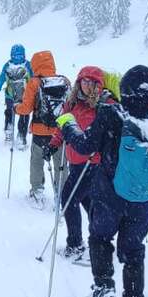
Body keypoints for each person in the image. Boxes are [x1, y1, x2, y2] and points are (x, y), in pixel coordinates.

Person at [57, 65, 148, 297]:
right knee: (134, 251)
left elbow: (85, 146)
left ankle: (104, 288)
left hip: (109, 198)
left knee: (100, 238)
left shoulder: (111, 115)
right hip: (142, 203)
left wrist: (68, 124)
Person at [49, 66, 112, 259]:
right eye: (84, 81)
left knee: (69, 199)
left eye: (92, 82)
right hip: (75, 161)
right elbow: (64, 124)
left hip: (93, 163)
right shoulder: (72, 102)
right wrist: (54, 143)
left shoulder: (104, 104)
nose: (87, 85)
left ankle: (76, 244)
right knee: (87, 201)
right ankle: (100, 240)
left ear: (99, 84)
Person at [15, 50, 70, 208]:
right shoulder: (64, 81)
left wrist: (16, 108)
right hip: (59, 133)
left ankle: (37, 191)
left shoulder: (34, 83)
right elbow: (70, 106)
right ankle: (62, 194)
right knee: (60, 164)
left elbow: (26, 109)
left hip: (39, 132)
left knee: (37, 162)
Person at [0, 44, 32, 148]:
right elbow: (33, 78)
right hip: (24, 96)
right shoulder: (28, 65)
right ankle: (21, 136)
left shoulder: (7, 65)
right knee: (24, 113)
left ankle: (8, 132)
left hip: (10, 96)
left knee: (9, 112)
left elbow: (2, 77)